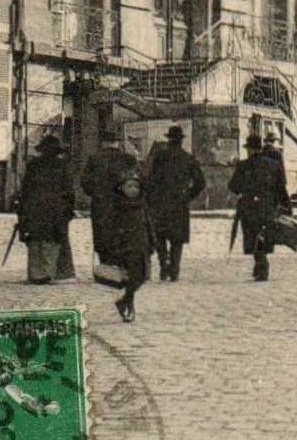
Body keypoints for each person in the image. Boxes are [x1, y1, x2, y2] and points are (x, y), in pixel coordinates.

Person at [144, 124, 206, 281]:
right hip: (180, 203)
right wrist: (188, 196)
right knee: (177, 239)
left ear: (169, 139)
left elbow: (151, 180)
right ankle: (174, 269)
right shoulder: (188, 158)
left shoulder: (159, 157)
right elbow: (200, 182)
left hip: (160, 203)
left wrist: (151, 199)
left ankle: (164, 264)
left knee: (160, 236)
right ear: (181, 141)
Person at [228, 130, 292, 281]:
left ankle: (261, 264)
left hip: (249, 207)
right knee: (263, 235)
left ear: (249, 149)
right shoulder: (274, 164)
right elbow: (281, 187)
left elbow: (233, 187)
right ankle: (260, 265)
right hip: (268, 206)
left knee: (252, 236)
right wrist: (286, 206)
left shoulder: (244, 165)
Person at [81, 127, 139, 279]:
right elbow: (136, 183)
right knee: (123, 235)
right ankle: (123, 268)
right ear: (117, 143)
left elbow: (85, 182)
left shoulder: (94, 159)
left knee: (102, 235)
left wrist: (95, 194)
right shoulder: (128, 159)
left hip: (101, 205)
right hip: (124, 205)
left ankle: (105, 268)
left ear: (103, 143)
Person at [17, 133, 76, 284]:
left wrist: (22, 210)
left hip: (35, 208)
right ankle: (55, 272)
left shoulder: (33, 165)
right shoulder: (63, 166)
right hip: (56, 208)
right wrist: (69, 210)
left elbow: (25, 189)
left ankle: (36, 273)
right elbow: (69, 190)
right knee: (55, 238)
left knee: (36, 239)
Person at [109, 165, 157, 323]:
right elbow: (111, 228)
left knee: (142, 276)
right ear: (121, 188)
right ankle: (129, 304)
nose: (133, 190)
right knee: (132, 278)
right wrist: (114, 246)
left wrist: (152, 242)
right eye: (129, 186)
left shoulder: (142, 205)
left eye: (136, 186)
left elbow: (148, 224)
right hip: (126, 247)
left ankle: (125, 301)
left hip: (141, 245)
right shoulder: (118, 207)